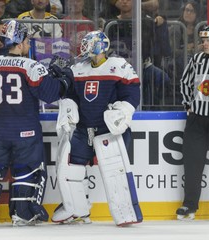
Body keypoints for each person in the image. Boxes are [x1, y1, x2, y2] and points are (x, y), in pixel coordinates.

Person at [0, 20, 74, 226]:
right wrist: (62, 77)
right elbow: (50, 93)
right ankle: (23, 214)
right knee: (26, 171)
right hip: (25, 130)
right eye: (27, 40)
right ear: (19, 43)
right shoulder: (31, 66)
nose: (29, 44)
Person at [51, 30, 142, 226]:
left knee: (115, 173)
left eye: (87, 44)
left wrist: (123, 111)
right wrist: (68, 106)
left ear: (99, 46)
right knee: (70, 169)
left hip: (108, 130)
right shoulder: (78, 69)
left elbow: (132, 94)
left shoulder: (119, 66)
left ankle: (125, 212)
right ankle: (77, 210)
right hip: (83, 130)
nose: (83, 48)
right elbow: (70, 94)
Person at [176, 24, 209, 221]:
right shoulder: (197, 59)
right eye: (203, 40)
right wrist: (188, 104)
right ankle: (189, 204)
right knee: (192, 163)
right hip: (197, 120)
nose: (205, 43)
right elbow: (185, 81)